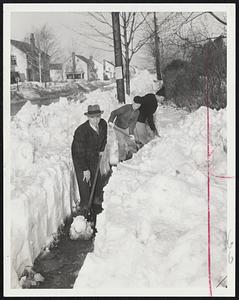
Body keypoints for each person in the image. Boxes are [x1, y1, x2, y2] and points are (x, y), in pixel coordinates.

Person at [71, 104, 107, 218]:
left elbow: (104, 138)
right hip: (81, 160)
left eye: (98, 116)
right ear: (88, 117)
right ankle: (85, 210)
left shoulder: (103, 124)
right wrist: (85, 169)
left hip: (94, 157)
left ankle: (96, 207)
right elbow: (77, 152)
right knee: (84, 186)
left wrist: (101, 150)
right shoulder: (81, 131)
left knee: (98, 181)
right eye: (92, 117)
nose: (96, 120)